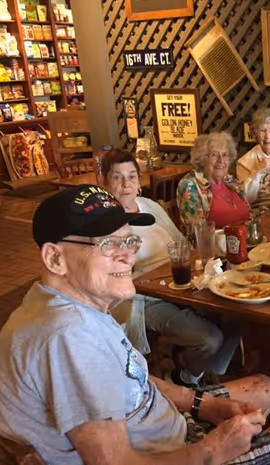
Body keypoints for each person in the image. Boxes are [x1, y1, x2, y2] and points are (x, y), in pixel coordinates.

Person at [0, 185, 270, 465]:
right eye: (107, 244)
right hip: (158, 455)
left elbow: (129, 375)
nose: (128, 255)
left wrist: (203, 405)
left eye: (128, 239)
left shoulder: (66, 301)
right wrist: (215, 449)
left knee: (266, 387)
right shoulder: (69, 336)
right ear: (55, 258)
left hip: (156, 425)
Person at [103, 150, 240, 388]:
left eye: (132, 176)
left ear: (139, 180)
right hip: (145, 300)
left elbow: (180, 244)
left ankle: (192, 370)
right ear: (104, 181)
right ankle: (190, 374)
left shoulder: (148, 206)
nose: (126, 184)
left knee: (238, 314)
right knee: (209, 339)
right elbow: (113, 279)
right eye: (117, 177)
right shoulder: (104, 222)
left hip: (181, 284)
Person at [177, 132, 251, 229]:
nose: (221, 160)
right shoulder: (189, 186)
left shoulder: (230, 180)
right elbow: (197, 232)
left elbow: (250, 215)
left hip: (248, 238)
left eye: (225, 155)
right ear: (202, 159)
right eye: (214, 155)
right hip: (220, 242)